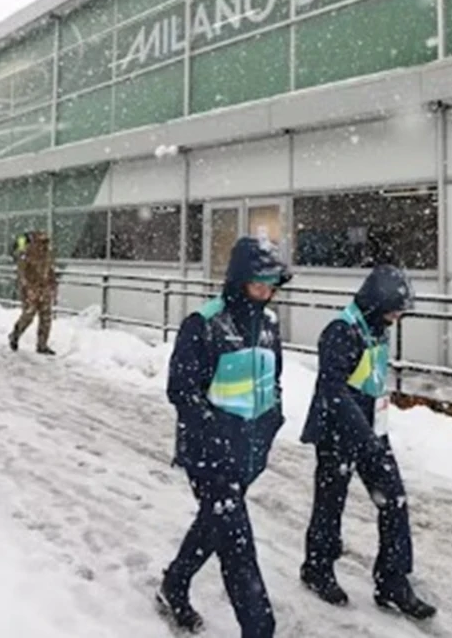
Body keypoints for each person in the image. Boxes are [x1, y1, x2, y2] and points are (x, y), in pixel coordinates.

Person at [156, 236, 291, 638]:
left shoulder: (268, 324)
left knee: (213, 525)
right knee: (237, 544)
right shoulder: (204, 324)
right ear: (238, 281)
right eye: (258, 285)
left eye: (272, 286)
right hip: (209, 458)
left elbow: (274, 379)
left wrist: (272, 423)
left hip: (248, 454)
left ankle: (175, 582)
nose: (266, 294)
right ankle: (259, 628)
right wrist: (214, 439)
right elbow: (181, 390)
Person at [299, 264, 436, 620]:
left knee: (394, 500)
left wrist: (376, 432)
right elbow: (334, 390)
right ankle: (317, 567)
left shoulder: (377, 328)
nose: (398, 317)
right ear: (376, 303)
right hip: (337, 432)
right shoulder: (341, 332)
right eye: (395, 309)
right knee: (330, 503)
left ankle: (393, 579)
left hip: (372, 431)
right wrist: (363, 434)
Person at [8, 231, 57, 356]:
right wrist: (28, 288)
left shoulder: (48, 255)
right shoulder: (27, 253)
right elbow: (22, 273)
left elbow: (50, 271)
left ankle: (42, 345)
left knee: (46, 318)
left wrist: (52, 286)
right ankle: (15, 334)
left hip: (44, 289)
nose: (44, 245)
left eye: (46, 242)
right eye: (42, 242)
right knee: (28, 316)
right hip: (31, 290)